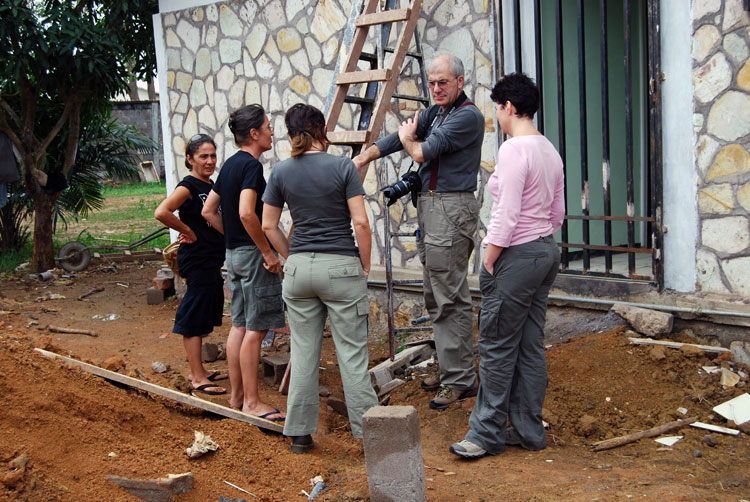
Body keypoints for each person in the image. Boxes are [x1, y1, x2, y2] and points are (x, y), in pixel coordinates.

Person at [352, 54, 484, 410]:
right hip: (432, 207)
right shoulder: (438, 112)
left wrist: (410, 138)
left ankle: (460, 379)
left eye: (443, 82)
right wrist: (365, 157)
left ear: (459, 81)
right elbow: (401, 136)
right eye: (432, 82)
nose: (436, 88)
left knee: (449, 295)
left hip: (450, 208)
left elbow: (422, 151)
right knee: (435, 293)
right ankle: (449, 368)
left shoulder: (468, 116)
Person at [450, 73, 564, 459]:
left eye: (497, 109)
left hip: (515, 254)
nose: (497, 116)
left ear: (509, 107)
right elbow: (558, 213)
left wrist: (490, 254)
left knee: (497, 345)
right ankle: (530, 431)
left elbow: (507, 212)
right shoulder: (549, 149)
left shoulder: (515, 150)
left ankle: (484, 434)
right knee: (530, 345)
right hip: (545, 250)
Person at [262, 103, 378, 453]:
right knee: (352, 356)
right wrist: (366, 264)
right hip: (341, 266)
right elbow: (360, 222)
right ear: (319, 129)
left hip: (299, 271)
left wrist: (289, 256)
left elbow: (269, 224)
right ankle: (369, 435)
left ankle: (299, 433)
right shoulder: (343, 166)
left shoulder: (281, 172)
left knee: (304, 351)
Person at [201, 105, 286, 421]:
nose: (272, 131)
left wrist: (234, 237)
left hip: (233, 256)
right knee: (257, 328)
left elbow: (209, 211)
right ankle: (252, 402)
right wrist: (266, 251)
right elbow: (247, 213)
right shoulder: (251, 167)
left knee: (239, 325)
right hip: (252, 257)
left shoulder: (228, 167)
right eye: (268, 125)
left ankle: (237, 397)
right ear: (254, 133)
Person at [154, 134, 228, 395]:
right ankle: (197, 376)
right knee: (194, 315)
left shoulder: (209, 184)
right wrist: (187, 230)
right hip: (196, 260)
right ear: (190, 159)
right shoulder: (187, 187)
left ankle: (202, 370)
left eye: (213, 156)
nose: (210, 161)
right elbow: (161, 211)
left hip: (210, 260)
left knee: (206, 311)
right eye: (203, 156)